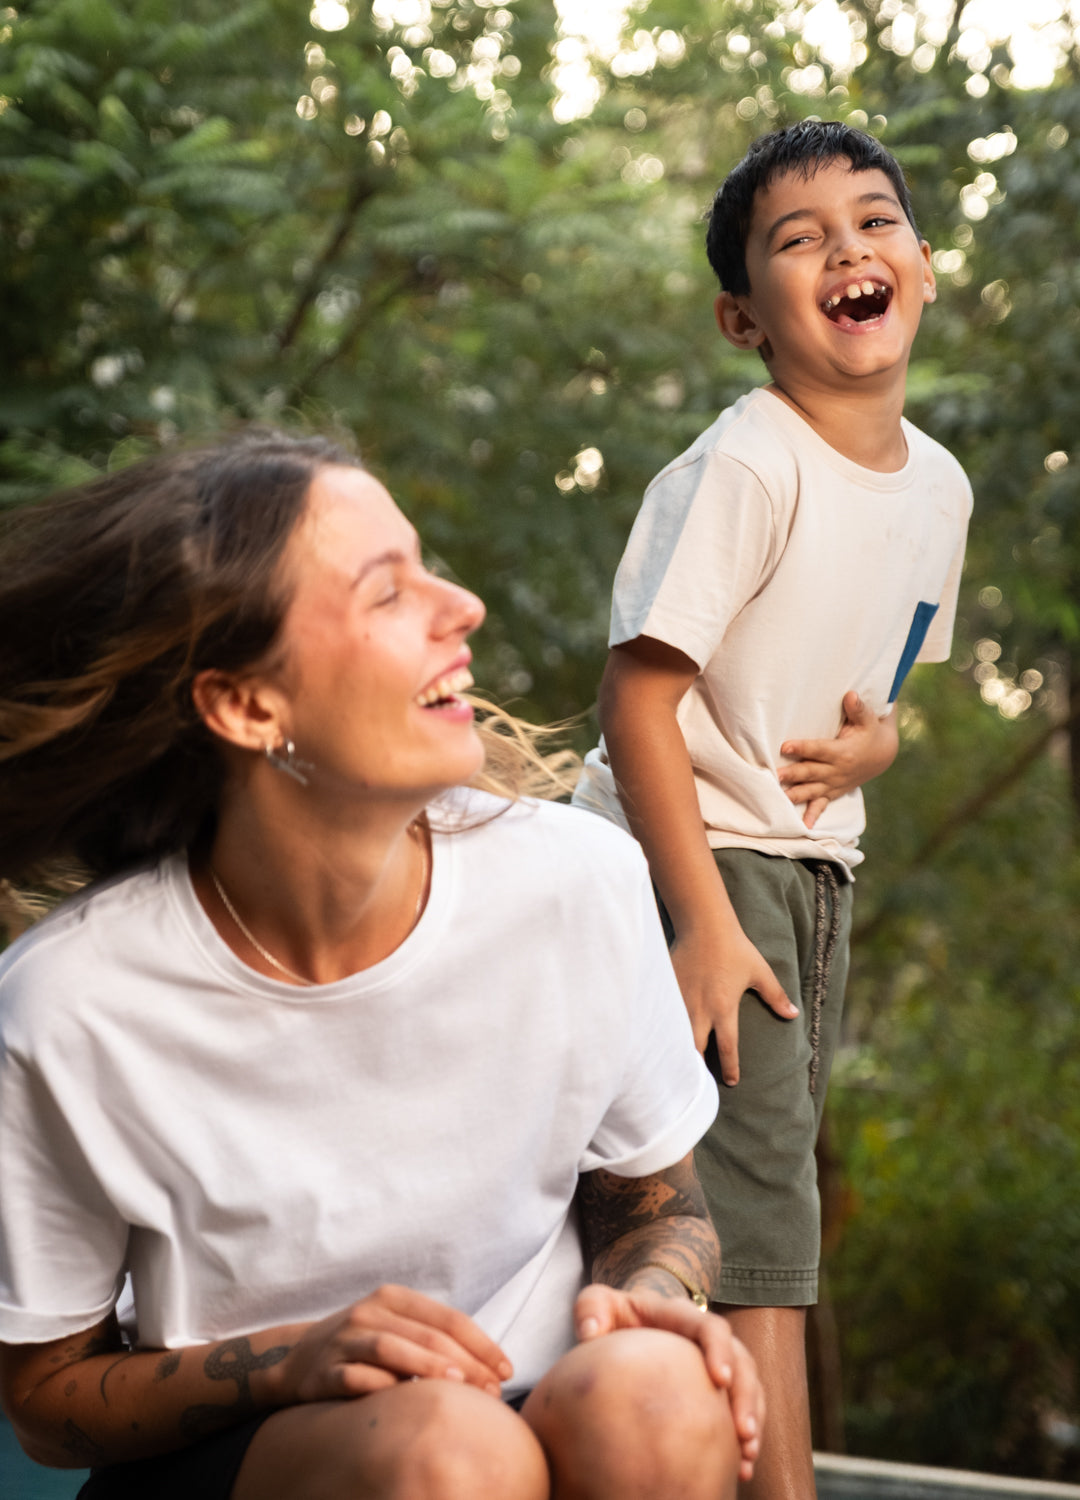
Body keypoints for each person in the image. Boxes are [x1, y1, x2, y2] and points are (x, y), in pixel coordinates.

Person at [0, 430, 765, 1500]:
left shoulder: (581, 881)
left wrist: (655, 1300)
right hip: (257, 1453)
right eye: (387, 593)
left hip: (541, 1409)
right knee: (450, 1454)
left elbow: (661, 1209)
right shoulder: (72, 1003)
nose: (464, 608)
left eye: (427, 567)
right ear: (247, 706)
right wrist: (291, 1360)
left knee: (657, 1398)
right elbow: (46, 1400)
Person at [572, 122, 973, 1498]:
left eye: (874, 221)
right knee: (751, 1222)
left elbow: (881, 695)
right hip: (698, 859)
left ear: (923, 265)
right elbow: (637, 701)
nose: (848, 248)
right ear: (745, 317)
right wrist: (696, 921)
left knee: (751, 1198)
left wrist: (877, 750)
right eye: (800, 240)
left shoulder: (940, 487)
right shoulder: (747, 464)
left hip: (808, 870)